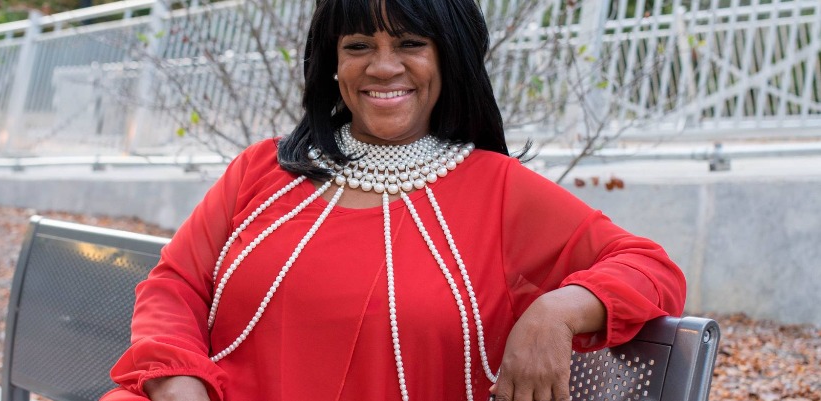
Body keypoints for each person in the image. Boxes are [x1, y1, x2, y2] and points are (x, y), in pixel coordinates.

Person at [101, 0, 686, 400]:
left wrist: (556, 313)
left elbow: (649, 268)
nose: (383, 67)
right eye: (359, 45)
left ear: (449, 57)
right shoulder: (261, 169)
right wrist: (177, 380)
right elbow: (176, 284)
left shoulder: (499, 189)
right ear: (333, 65)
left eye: (410, 43)